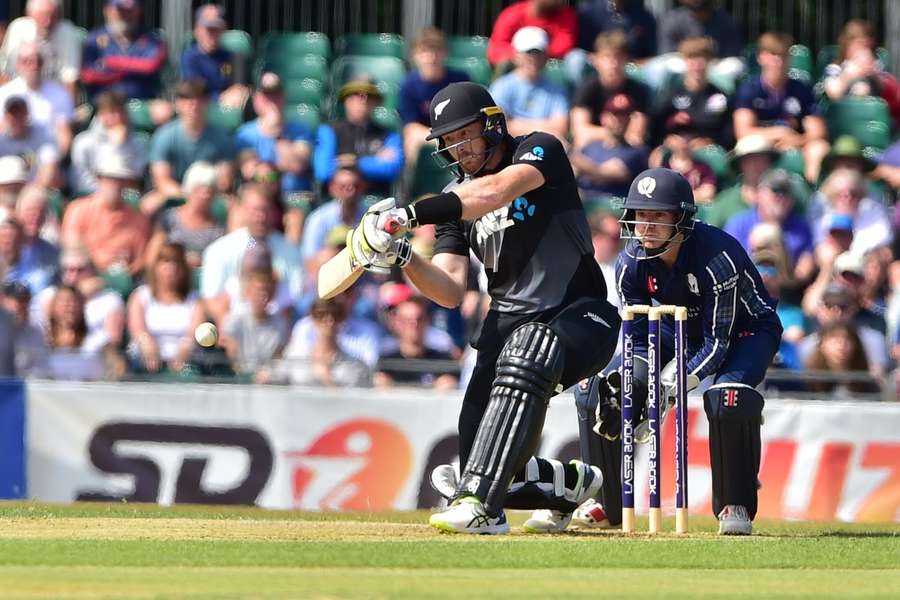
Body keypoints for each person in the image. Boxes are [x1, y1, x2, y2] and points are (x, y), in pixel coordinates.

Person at [345, 81, 621, 534]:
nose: (458, 148)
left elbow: (494, 193)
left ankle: (482, 509)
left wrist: (407, 217)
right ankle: (569, 483)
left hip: (579, 317)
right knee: (483, 463)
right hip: (506, 330)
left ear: (492, 125)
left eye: (464, 134)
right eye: (448, 140)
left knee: (528, 354)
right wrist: (403, 256)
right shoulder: (454, 198)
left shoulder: (538, 151)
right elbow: (451, 290)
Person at [573, 168, 782, 536]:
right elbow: (637, 338)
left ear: (682, 220)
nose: (646, 226)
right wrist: (638, 384)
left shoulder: (718, 258)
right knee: (602, 392)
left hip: (746, 331)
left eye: (658, 217)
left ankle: (736, 500)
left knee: (727, 399)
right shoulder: (629, 263)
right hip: (680, 326)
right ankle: (607, 501)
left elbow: (718, 342)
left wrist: (670, 384)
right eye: (640, 215)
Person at [734, 32, 829, 183]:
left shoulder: (801, 89)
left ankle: (811, 191)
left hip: (795, 142)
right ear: (760, 57)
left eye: (783, 55)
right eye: (772, 54)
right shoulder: (749, 88)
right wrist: (780, 132)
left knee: (819, 148)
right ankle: (753, 193)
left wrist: (796, 140)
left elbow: (818, 132)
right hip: (762, 143)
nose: (778, 60)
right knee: (747, 145)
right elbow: (743, 132)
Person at [145, 79, 236, 216]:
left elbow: (224, 182)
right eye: (187, 99)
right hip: (176, 195)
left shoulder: (221, 137)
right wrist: (189, 196)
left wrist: (202, 194)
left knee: (236, 208)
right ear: (178, 103)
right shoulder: (164, 136)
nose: (193, 105)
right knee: (146, 206)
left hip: (209, 195)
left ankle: (247, 238)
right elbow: (162, 181)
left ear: (207, 102)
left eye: (199, 99)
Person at [60, 147, 151, 276]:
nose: (116, 185)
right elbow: (72, 245)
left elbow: (141, 258)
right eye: (110, 179)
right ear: (99, 180)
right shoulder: (78, 209)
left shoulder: (138, 218)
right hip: (84, 275)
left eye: (121, 180)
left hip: (122, 281)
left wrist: (125, 274)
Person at [313, 77, 404, 196]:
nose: (363, 99)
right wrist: (374, 160)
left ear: (376, 102)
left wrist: (354, 162)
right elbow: (323, 171)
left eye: (369, 95)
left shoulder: (389, 135)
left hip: (377, 202)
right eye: (356, 94)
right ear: (345, 100)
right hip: (336, 204)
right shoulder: (329, 131)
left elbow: (393, 168)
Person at [724, 169, 815, 283]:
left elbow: (803, 273)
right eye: (775, 190)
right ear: (759, 194)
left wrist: (781, 268)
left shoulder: (801, 228)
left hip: (786, 294)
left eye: (786, 191)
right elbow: (727, 265)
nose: (780, 196)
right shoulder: (738, 223)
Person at [126, 242, 205, 374]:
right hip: (145, 360)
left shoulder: (195, 300)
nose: (171, 269)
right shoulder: (140, 296)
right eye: (165, 262)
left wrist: (182, 353)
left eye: (176, 264)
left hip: (184, 362)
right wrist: (148, 347)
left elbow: (193, 334)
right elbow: (138, 330)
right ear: (156, 267)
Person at [235, 72, 314, 196]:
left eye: (276, 95)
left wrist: (278, 135)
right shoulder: (245, 133)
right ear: (256, 100)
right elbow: (249, 171)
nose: (272, 101)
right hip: (259, 197)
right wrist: (277, 172)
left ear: (283, 98)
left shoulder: (301, 131)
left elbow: (298, 165)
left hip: (294, 197)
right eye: (267, 96)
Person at [81, 0, 168, 112]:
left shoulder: (152, 39)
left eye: (130, 10)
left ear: (138, 11)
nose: (125, 15)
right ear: (107, 11)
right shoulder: (93, 39)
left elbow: (151, 65)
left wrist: (111, 63)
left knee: (163, 111)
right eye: (120, 10)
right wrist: (126, 71)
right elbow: (87, 75)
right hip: (105, 105)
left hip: (142, 102)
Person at [648, 35, 733, 149]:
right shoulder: (671, 95)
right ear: (684, 61)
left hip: (708, 152)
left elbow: (728, 135)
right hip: (675, 150)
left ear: (710, 61)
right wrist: (669, 132)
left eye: (702, 59)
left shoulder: (720, 96)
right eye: (692, 59)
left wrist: (710, 141)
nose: (697, 65)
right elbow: (655, 129)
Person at [398, 27, 469, 165]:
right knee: (411, 139)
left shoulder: (460, 79)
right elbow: (411, 127)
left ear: (445, 53)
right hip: (427, 135)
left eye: (437, 51)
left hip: (458, 133)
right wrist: (441, 138)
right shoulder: (408, 85)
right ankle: (415, 186)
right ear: (415, 56)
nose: (431, 57)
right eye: (424, 51)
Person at [570, 31, 650, 150]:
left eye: (618, 57)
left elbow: (635, 136)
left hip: (625, 152)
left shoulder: (638, 90)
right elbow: (580, 132)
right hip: (593, 150)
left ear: (626, 60)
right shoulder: (587, 88)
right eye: (607, 57)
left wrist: (602, 135)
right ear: (596, 60)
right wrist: (613, 134)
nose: (613, 64)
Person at [488, 26, 569, 141]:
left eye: (538, 52)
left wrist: (517, 124)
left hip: (545, 146)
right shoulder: (501, 86)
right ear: (516, 55)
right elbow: (499, 126)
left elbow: (561, 127)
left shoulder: (557, 89)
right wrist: (546, 128)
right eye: (529, 52)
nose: (533, 58)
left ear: (546, 56)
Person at [145, 161, 225, 270]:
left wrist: (202, 261)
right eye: (199, 190)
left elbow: (219, 262)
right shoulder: (168, 219)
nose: (205, 195)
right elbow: (154, 253)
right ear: (190, 189)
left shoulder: (218, 230)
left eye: (210, 191)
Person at [571, 93, 648, 202]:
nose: (619, 120)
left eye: (625, 115)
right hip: (586, 203)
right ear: (603, 117)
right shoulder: (591, 147)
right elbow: (572, 173)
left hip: (614, 205)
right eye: (615, 114)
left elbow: (603, 173)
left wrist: (566, 152)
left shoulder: (637, 152)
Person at [0, 41, 74, 155]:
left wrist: (54, 162)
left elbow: (64, 134)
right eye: (27, 61)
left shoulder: (59, 94)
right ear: (18, 64)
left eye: (37, 61)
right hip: (10, 155)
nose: (33, 66)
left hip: (45, 154)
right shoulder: (5, 93)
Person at [69, 90, 149, 195]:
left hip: (128, 200)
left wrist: (119, 146)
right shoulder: (83, 142)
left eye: (120, 112)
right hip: (92, 198)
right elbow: (80, 180)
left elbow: (136, 178)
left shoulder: (138, 143)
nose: (117, 118)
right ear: (100, 115)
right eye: (110, 113)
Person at [822, 20, 900, 126]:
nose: (864, 50)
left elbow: (892, 93)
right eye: (859, 45)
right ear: (847, 45)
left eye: (868, 46)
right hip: (845, 122)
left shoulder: (877, 68)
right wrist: (849, 74)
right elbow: (833, 93)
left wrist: (874, 75)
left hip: (874, 122)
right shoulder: (836, 69)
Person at [374, 295, 459, 390]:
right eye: (407, 320)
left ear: (428, 320)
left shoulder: (443, 361)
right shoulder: (386, 362)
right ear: (397, 323)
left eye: (419, 319)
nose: (415, 325)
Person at [0, 0, 82, 97]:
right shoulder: (18, 29)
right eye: (42, 15)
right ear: (29, 15)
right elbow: (5, 73)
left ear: (60, 15)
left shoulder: (67, 32)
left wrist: (67, 108)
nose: (48, 21)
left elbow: (70, 79)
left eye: (52, 16)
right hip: (19, 98)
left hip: (53, 98)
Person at [220, 267, 290, 380]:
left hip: (268, 382)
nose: (262, 295)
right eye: (258, 290)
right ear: (248, 292)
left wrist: (268, 374)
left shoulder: (280, 324)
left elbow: (278, 358)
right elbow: (230, 353)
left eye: (266, 291)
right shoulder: (235, 320)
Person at [180, 4, 249, 108]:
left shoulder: (232, 57)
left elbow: (240, 87)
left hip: (232, 108)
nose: (212, 34)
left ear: (223, 30)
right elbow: (194, 92)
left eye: (216, 29)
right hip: (200, 111)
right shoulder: (190, 58)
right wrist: (221, 99)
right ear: (197, 30)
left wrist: (240, 91)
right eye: (208, 29)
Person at [487, 0, 577, 68]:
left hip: (546, 73)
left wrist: (536, 55)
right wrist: (520, 56)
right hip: (514, 72)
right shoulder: (513, 14)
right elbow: (496, 50)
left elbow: (564, 44)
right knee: (505, 65)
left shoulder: (566, 15)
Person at [0, 95, 59, 188]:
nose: (16, 118)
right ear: (6, 116)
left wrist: (33, 192)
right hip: (5, 190)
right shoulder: (1, 141)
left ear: (27, 114)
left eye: (20, 113)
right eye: (13, 114)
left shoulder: (42, 135)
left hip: (35, 189)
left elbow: (49, 167)